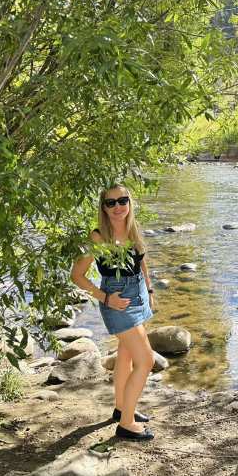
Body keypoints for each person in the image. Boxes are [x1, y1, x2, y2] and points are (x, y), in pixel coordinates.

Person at [70, 184, 156, 441]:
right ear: (103, 208)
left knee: (126, 355)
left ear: (129, 202)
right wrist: (106, 297)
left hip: (139, 296)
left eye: (122, 200)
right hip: (117, 302)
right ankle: (126, 425)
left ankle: (121, 409)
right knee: (147, 361)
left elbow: (141, 261)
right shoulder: (97, 237)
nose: (118, 207)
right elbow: (77, 276)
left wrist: (150, 291)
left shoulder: (133, 229)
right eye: (111, 203)